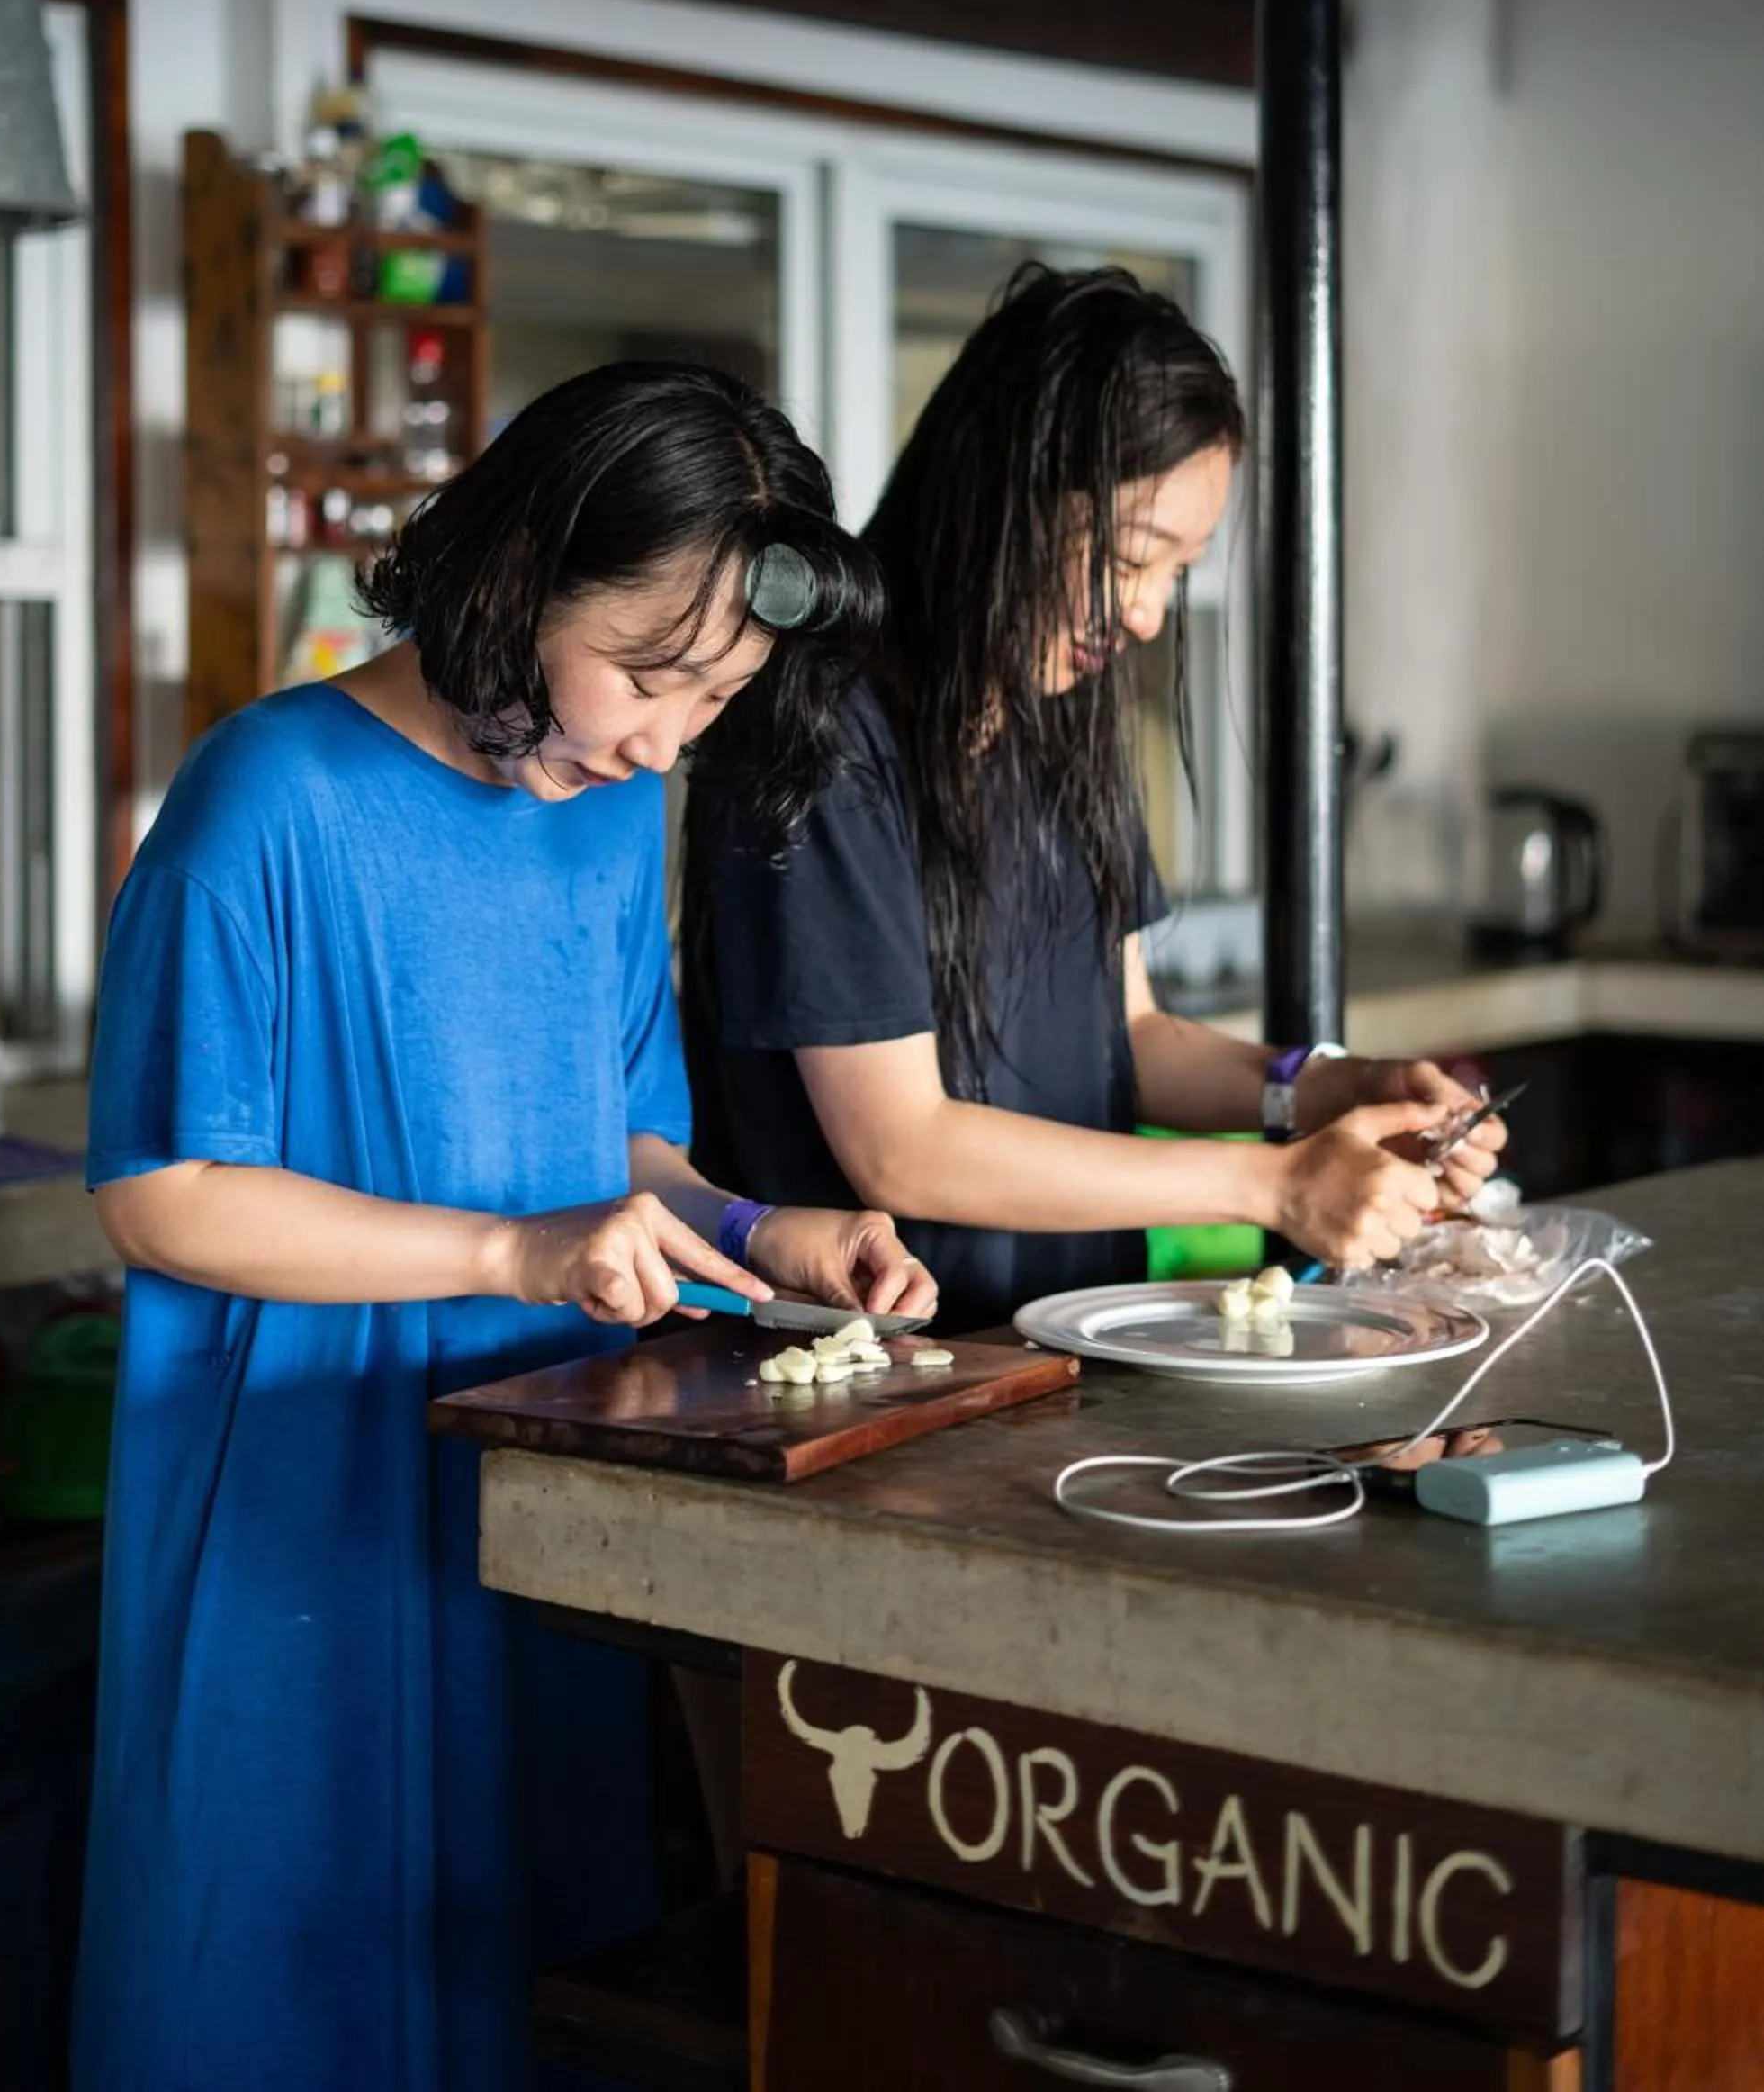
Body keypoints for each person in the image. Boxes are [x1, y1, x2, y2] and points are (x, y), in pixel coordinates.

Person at [73, 362, 936, 2092]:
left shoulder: (610, 810)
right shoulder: (268, 795)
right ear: (518, 573)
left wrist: (762, 1229)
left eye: (714, 700)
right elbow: (161, 1196)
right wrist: (510, 1254)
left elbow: (617, 1144)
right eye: (646, 676)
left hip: (533, 1481)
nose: (663, 740)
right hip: (296, 1499)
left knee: (527, 1975)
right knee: (277, 1981)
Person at [683, 266, 1503, 1334]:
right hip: (872, 1371)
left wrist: (1333, 1090)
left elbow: (1135, 1038)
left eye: (1178, 571)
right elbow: (902, 1146)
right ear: (1003, 498)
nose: (1148, 614)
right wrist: (1275, 1184)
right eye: (1129, 559)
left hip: (1067, 1341)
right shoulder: (825, 730)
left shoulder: (1056, 721)